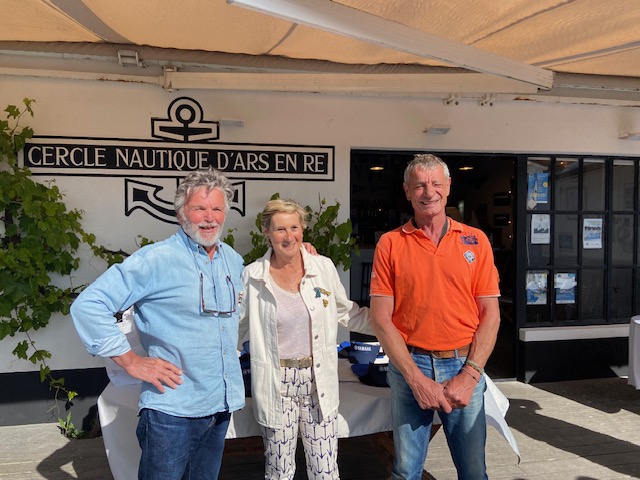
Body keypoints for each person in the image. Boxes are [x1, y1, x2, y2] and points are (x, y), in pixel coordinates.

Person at [71, 168, 245, 480]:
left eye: (217, 209)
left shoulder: (233, 260)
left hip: (219, 406)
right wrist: (131, 361)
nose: (209, 218)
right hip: (172, 410)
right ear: (181, 214)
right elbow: (89, 305)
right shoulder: (155, 259)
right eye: (199, 208)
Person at [369, 154, 501, 480]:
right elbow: (381, 318)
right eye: (419, 186)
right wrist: (416, 379)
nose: (428, 192)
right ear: (407, 191)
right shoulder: (390, 244)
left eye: (435, 184)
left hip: (463, 363)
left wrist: (470, 375)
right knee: (405, 471)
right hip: (409, 365)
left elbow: (490, 314)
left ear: (448, 187)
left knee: (474, 472)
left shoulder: (476, 241)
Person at [238, 198, 373, 479]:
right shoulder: (253, 276)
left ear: (303, 229)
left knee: (325, 471)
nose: (289, 237)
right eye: (280, 229)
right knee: (280, 472)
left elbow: (345, 312)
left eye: (294, 227)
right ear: (267, 232)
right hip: (276, 383)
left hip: (318, 380)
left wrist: (391, 325)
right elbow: (234, 329)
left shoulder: (322, 268)